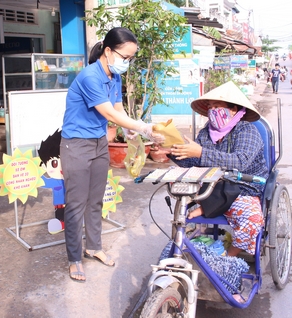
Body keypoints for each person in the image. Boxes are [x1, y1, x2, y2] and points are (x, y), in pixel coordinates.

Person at [60, 27, 164, 282]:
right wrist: (143, 127)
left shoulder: (113, 78)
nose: (126, 63)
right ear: (108, 51)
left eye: (130, 59)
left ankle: (93, 247)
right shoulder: (89, 77)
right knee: (75, 204)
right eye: (124, 57)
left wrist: (129, 131)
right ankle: (74, 259)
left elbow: (118, 110)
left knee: (95, 201)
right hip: (76, 145)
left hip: (98, 144)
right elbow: (108, 113)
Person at [166, 81, 268, 257]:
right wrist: (172, 151)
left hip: (244, 189)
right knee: (183, 205)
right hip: (212, 187)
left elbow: (240, 162)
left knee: (252, 220)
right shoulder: (207, 132)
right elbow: (194, 162)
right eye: (210, 107)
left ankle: (230, 256)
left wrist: (200, 152)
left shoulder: (247, 130)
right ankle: (188, 247)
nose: (212, 111)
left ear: (234, 109)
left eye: (217, 106)